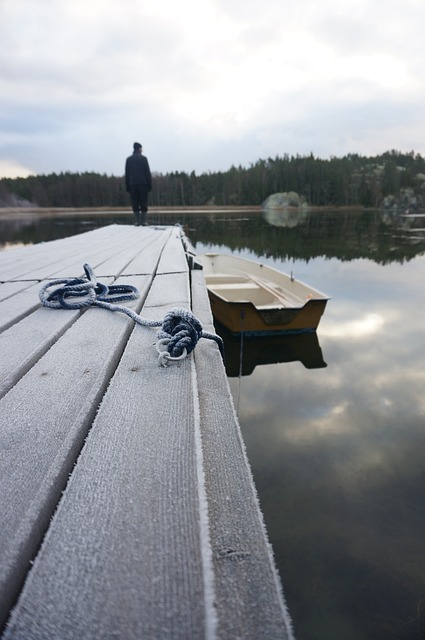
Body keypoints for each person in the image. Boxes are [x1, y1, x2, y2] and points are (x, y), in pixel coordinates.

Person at [125, 142, 152, 226]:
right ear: (139, 149)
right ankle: (143, 221)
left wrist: (127, 186)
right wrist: (149, 184)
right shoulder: (144, 159)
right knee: (143, 202)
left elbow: (127, 174)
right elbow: (147, 172)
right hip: (143, 184)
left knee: (135, 203)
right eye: (141, 148)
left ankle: (137, 222)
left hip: (132, 184)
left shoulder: (128, 159)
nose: (142, 150)